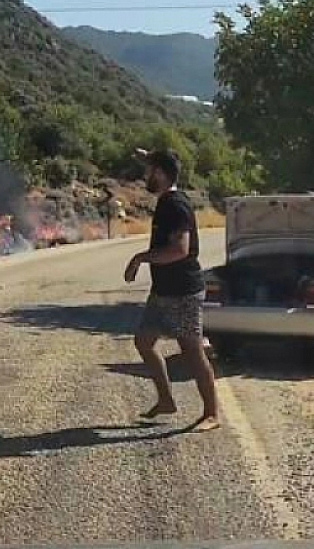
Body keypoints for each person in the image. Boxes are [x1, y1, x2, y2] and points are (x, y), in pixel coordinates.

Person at [124, 149, 221, 432]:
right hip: (163, 290)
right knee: (144, 341)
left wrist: (140, 258)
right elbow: (162, 160)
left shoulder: (175, 205)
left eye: (149, 171)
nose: (145, 176)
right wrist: (147, 156)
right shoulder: (166, 201)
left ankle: (212, 414)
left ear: (161, 174)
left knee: (192, 351)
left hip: (183, 291)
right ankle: (166, 400)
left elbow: (180, 249)